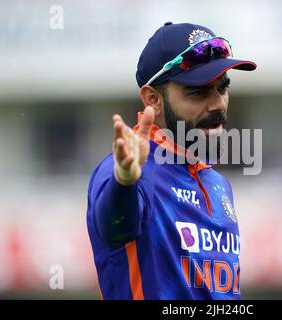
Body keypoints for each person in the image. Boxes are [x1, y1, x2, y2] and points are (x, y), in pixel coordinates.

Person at [86, 22, 256, 300]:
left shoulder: (218, 184)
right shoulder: (127, 172)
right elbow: (115, 226)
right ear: (153, 99)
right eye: (198, 92)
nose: (218, 104)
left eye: (222, 88)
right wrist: (125, 182)